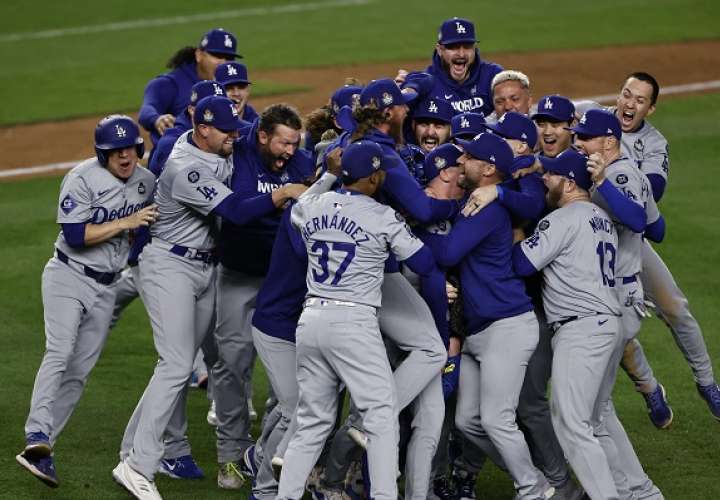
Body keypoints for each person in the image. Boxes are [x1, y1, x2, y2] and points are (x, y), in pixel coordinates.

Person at [112, 96, 304, 500]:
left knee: (174, 366)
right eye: (226, 131)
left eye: (237, 129)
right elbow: (235, 210)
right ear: (202, 129)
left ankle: (129, 452)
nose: (235, 137)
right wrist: (282, 193)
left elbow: (261, 137)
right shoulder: (186, 167)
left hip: (204, 268)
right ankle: (140, 466)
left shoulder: (218, 145)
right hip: (169, 265)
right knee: (177, 363)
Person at [277, 140, 447, 500]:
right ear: (373, 177)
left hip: (311, 321)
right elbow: (424, 264)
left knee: (311, 423)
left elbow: (299, 207)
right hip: (352, 322)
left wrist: (328, 175)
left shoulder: (312, 205)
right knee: (382, 419)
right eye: (380, 171)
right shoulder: (381, 216)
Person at [16, 115, 156, 489]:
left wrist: (135, 244)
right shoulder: (81, 178)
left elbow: (148, 229)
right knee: (59, 352)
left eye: (130, 149)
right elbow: (76, 235)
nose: (125, 157)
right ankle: (35, 434)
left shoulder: (147, 183)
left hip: (108, 288)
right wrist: (125, 225)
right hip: (68, 276)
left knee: (79, 372)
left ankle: (44, 452)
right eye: (116, 152)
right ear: (103, 154)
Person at [425, 133, 555, 499]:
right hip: (480, 331)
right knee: (469, 421)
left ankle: (533, 488)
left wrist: (411, 233)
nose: (460, 160)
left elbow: (448, 252)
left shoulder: (489, 209)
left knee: (497, 419)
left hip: (507, 326)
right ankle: (536, 477)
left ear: (488, 169)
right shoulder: (475, 203)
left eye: (468, 156)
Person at [212, 103, 313, 489]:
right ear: (263, 136)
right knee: (232, 364)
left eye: (295, 143)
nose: (289, 151)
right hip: (238, 276)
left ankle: (265, 448)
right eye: (283, 143)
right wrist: (282, 195)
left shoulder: (304, 163)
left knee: (286, 375)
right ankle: (230, 456)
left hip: (285, 283)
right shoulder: (238, 155)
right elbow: (236, 211)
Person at [513, 149, 623, 499]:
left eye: (552, 174)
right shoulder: (600, 217)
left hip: (582, 330)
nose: (545, 178)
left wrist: (515, 229)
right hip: (606, 325)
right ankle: (627, 489)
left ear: (570, 182)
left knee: (572, 426)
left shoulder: (563, 218)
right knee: (589, 424)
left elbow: (522, 264)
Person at [612, 72, 720, 425]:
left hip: (630, 241)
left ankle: (707, 384)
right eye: (627, 94)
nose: (629, 103)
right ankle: (650, 390)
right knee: (619, 330)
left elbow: (653, 192)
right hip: (587, 246)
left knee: (675, 306)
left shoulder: (654, 144)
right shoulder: (590, 118)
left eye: (639, 100)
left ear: (651, 108)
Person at [573, 108, 665, 499]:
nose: (579, 142)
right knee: (598, 408)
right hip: (623, 297)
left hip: (617, 299)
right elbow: (659, 228)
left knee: (592, 414)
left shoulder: (617, 173)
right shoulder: (630, 172)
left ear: (608, 142)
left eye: (586, 137)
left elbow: (638, 221)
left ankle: (632, 491)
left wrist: (602, 184)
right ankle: (635, 490)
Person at [138, 28, 241, 148]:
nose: (224, 63)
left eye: (229, 58)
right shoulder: (169, 83)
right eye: (217, 55)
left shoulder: (231, 87)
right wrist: (157, 119)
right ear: (199, 55)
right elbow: (146, 110)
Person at [397, 18, 503, 116]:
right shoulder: (427, 81)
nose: (461, 54)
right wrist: (400, 91)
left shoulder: (492, 75)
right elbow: (412, 86)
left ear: (474, 48)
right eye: (453, 47)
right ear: (439, 50)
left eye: (467, 47)